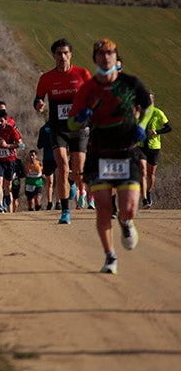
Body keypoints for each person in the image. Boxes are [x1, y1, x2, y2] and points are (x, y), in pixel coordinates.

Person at [68, 39, 153, 275]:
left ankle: (126, 223)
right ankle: (110, 256)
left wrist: (143, 125)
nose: (106, 57)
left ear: (116, 58)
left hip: (127, 151)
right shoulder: (88, 88)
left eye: (110, 53)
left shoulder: (131, 84)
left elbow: (147, 107)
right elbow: (71, 122)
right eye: (101, 54)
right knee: (103, 208)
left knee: (128, 209)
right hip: (99, 152)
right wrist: (81, 117)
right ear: (95, 58)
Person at [34, 39, 92, 225]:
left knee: (78, 171)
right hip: (58, 128)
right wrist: (39, 105)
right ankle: (65, 210)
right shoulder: (47, 78)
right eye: (58, 53)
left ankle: (76, 187)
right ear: (54, 55)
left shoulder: (82, 73)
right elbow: (37, 99)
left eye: (65, 53)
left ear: (70, 54)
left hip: (79, 128)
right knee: (62, 167)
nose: (62, 57)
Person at [139, 92, 171, 208]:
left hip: (154, 146)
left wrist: (157, 132)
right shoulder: (140, 113)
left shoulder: (158, 113)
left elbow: (168, 128)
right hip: (141, 146)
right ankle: (144, 200)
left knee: (151, 173)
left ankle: (148, 192)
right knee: (143, 171)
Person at [37, 123, 57, 210]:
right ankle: (50, 203)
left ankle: (59, 202)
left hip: (59, 157)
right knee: (50, 182)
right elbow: (39, 145)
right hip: (48, 158)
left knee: (59, 180)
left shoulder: (60, 126)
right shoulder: (44, 129)